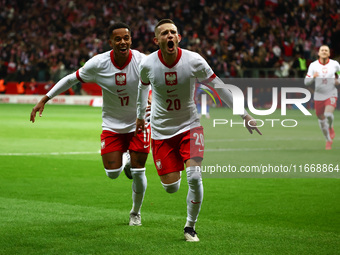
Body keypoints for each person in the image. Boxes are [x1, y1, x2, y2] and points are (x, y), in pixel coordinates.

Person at [135, 19, 261, 242]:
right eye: (164, 33)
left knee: (194, 176)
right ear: (157, 41)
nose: (170, 36)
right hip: (161, 131)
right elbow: (142, 87)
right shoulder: (147, 64)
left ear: (179, 37)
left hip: (189, 125)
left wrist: (244, 115)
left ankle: (190, 227)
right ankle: (176, 171)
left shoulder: (194, 60)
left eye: (173, 32)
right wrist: (139, 115)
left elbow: (219, 87)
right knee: (171, 187)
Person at [30, 22, 150, 226]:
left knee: (138, 171)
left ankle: (135, 213)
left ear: (131, 40)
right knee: (112, 173)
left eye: (126, 38)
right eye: (118, 38)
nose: (123, 42)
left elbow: (158, 80)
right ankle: (125, 155)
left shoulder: (143, 61)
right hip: (112, 125)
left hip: (138, 122)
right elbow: (70, 79)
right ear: (110, 41)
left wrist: (152, 97)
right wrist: (45, 98)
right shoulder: (98, 63)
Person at [304, 45, 340, 150]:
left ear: (329, 53)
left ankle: (330, 127)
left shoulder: (335, 64)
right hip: (319, 95)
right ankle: (328, 140)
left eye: (326, 50)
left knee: (328, 114)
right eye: (322, 50)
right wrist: (313, 77)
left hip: (331, 93)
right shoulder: (313, 66)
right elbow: (306, 81)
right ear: (318, 53)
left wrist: (338, 81)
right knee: (321, 119)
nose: (324, 52)